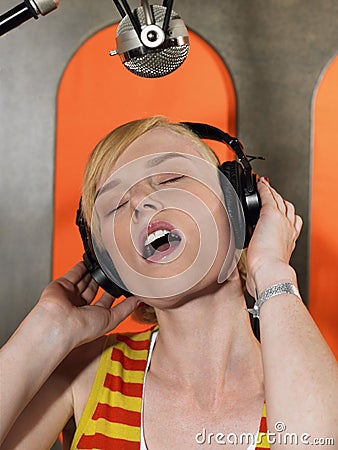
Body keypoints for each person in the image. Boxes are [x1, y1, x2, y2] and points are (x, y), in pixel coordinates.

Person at [1, 116, 337, 449]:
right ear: (106, 263)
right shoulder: (80, 375)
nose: (141, 203)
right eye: (117, 204)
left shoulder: (306, 376)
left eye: (170, 178)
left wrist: (272, 271)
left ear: (239, 206)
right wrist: (47, 331)